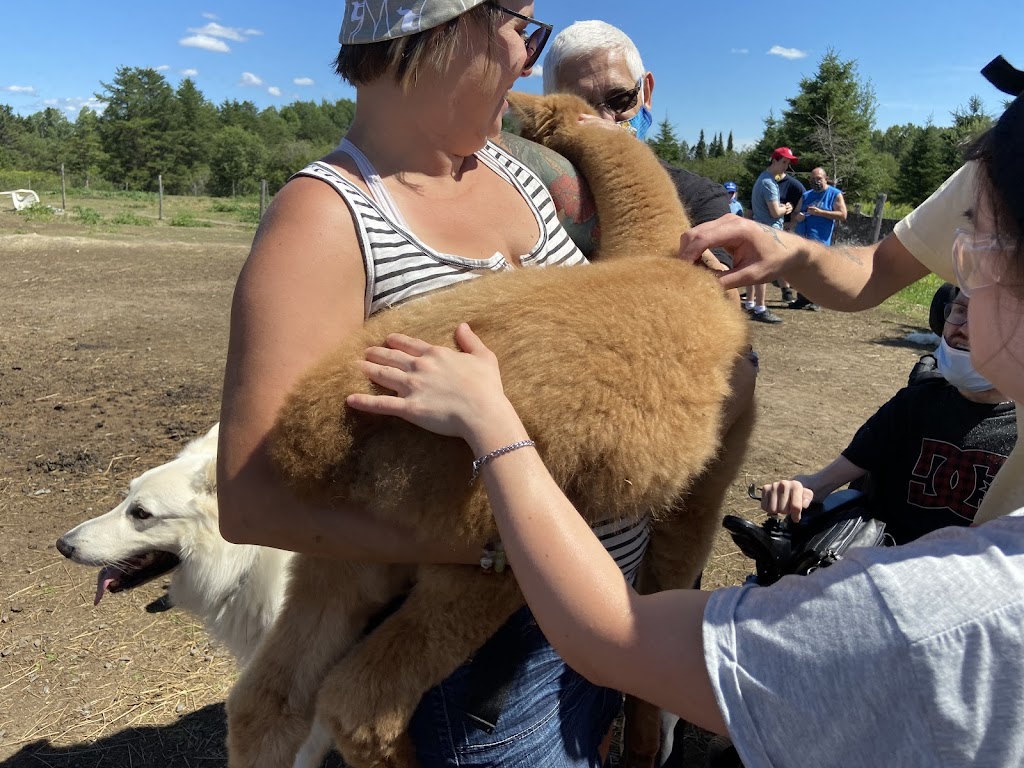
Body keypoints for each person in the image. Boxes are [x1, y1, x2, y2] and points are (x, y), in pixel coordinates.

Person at [344, 92, 1024, 766]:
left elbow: (616, 636)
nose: (959, 274)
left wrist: (496, 429)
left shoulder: (934, 620)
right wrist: (787, 250)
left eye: (977, 242)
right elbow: (873, 270)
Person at [217, 2, 638, 765]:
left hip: (595, 620)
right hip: (478, 672)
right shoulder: (323, 220)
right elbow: (252, 501)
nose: (526, 53)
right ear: (447, 31)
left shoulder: (512, 174)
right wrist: (498, 549)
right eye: (522, 27)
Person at [760, 285, 1016, 544]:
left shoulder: (1020, 432)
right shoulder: (915, 404)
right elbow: (820, 483)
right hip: (882, 566)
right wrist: (796, 491)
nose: (964, 328)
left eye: (988, 319)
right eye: (961, 310)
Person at [538, 20, 735, 268]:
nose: (605, 120)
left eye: (620, 99)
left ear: (646, 93)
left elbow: (725, 296)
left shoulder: (699, 195)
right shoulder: (529, 183)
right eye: (581, 106)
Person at [746, 147, 799, 323]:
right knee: (764, 270)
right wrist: (787, 208)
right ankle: (760, 307)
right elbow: (775, 212)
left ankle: (751, 304)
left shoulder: (762, 179)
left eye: (788, 163)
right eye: (784, 162)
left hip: (760, 228)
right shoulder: (769, 183)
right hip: (769, 231)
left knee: (756, 268)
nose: (786, 166)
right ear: (774, 160)